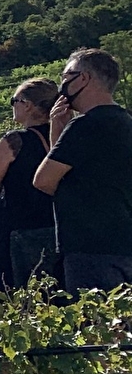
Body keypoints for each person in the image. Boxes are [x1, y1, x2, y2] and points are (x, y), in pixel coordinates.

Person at [35, 48, 132, 293]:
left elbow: (44, 180)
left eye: (66, 76)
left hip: (88, 245)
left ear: (84, 79)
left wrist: (58, 132)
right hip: (124, 244)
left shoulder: (85, 125)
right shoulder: (126, 122)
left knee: (92, 325)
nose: (62, 84)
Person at [0, 79, 59, 287]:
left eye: (15, 101)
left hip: (17, 231)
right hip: (55, 229)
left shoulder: (15, 141)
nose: (13, 106)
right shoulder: (63, 136)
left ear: (28, 105)